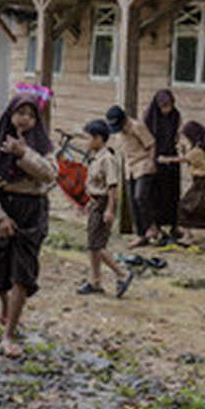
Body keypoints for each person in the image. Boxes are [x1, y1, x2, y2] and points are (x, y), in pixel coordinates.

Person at [0, 87, 58, 358]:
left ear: (37, 120)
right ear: (10, 115)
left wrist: (24, 154)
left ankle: (9, 333)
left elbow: (49, 175)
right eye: (19, 113)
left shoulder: (43, 145)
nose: (24, 119)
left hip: (31, 211)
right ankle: (4, 303)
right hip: (2, 207)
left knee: (22, 273)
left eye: (30, 115)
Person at [77, 119, 134, 298]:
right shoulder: (95, 158)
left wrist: (110, 209)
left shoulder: (107, 159)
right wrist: (88, 202)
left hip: (103, 204)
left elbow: (112, 187)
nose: (86, 142)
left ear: (98, 139)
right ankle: (95, 281)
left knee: (98, 245)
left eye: (88, 138)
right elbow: (94, 184)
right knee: (93, 245)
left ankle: (122, 274)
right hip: (96, 203)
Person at [157, 120, 205, 246]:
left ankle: (189, 236)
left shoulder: (197, 151)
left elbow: (184, 159)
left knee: (184, 206)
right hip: (202, 182)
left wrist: (165, 159)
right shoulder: (199, 147)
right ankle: (189, 234)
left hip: (203, 183)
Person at [106, 105, 157, 249]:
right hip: (129, 168)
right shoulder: (117, 133)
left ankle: (152, 226)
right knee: (132, 203)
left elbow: (151, 144)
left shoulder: (137, 126)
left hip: (143, 164)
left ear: (124, 119)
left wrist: (151, 163)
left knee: (140, 196)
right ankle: (141, 235)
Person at [143, 89, 181, 243]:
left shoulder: (176, 115)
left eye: (170, 106)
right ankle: (157, 226)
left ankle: (174, 224)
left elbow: (177, 133)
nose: (167, 109)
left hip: (171, 158)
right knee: (156, 194)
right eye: (164, 106)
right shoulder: (149, 118)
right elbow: (146, 140)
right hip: (156, 158)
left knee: (172, 193)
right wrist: (152, 159)